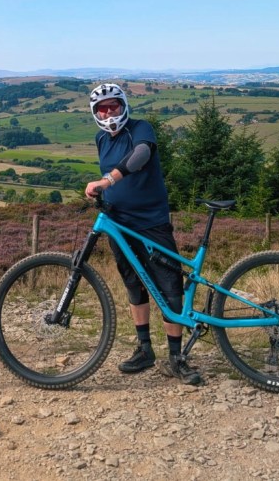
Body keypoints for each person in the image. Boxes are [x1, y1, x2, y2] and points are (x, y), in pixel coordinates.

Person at [83, 83, 202, 386]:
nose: (109, 113)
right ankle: (144, 349)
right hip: (118, 223)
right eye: (102, 108)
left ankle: (176, 357)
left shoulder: (140, 129)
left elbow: (141, 155)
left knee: (169, 287)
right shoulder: (101, 139)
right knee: (134, 284)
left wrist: (107, 181)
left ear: (123, 106)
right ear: (95, 112)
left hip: (151, 221)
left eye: (114, 106)